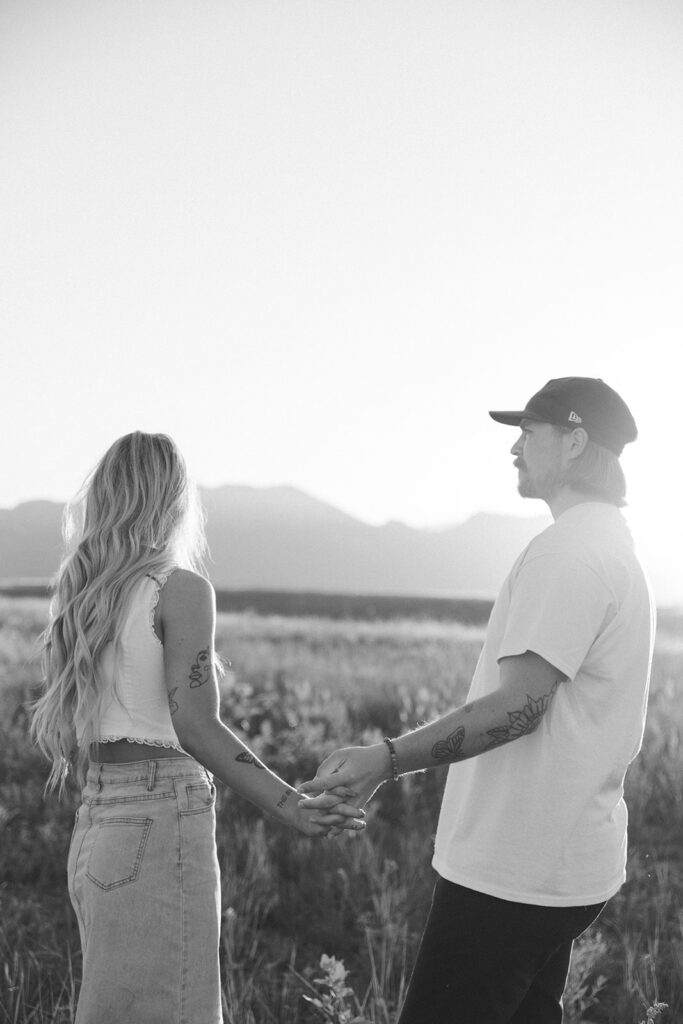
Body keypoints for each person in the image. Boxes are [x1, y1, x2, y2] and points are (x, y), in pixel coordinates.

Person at [301, 377, 655, 1024]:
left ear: (574, 442)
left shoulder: (569, 552)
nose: (514, 448)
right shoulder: (612, 547)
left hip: (512, 873)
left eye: (528, 431)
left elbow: (518, 709)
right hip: (562, 865)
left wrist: (383, 759)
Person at [30, 431, 365, 1024]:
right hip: (159, 820)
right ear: (175, 500)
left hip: (99, 823)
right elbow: (195, 725)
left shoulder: (87, 595)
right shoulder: (178, 589)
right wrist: (289, 805)